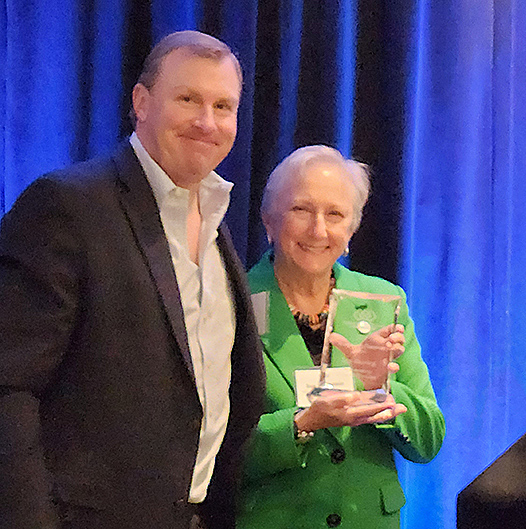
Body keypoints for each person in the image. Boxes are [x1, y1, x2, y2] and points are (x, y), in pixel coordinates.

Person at [0, 31, 265, 528]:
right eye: (188, 99)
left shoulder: (216, 221)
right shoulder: (67, 206)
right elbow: (9, 387)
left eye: (223, 106)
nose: (207, 122)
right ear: (140, 103)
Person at [237, 146, 445, 529]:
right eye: (301, 210)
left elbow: (428, 441)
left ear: (351, 229)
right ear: (269, 220)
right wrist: (301, 424)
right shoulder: (234, 303)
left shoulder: (384, 300)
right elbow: (211, 451)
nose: (318, 230)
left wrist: (381, 389)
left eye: (335, 215)